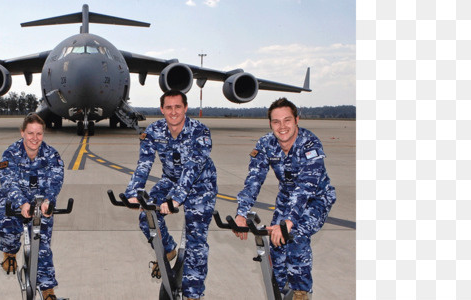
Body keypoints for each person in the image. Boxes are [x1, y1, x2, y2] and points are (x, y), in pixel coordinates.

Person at [232, 97, 337, 300]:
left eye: (287, 120)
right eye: (276, 121)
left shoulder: (310, 143)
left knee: (295, 235)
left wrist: (288, 222)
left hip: (316, 198)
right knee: (276, 242)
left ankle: (301, 292)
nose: (282, 127)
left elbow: (306, 187)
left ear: (297, 120)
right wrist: (241, 213)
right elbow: (253, 180)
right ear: (270, 123)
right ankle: (279, 291)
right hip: (287, 198)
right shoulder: (266, 144)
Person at [125, 90, 217, 300]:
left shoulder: (200, 131)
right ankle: (168, 249)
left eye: (178, 107)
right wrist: (133, 192)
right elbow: (144, 163)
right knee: (146, 217)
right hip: (171, 180)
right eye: (169, 107)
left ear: (185, 108)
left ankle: (193, 295)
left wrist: (176, 198)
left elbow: (193, 167)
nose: (173, 112)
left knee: (196, 242)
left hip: (201, 185)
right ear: (162, 110)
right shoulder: (154, 130)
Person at [0, 114, 65, 300]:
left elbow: (55, 181)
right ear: (22, 132)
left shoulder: (52, 155)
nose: (34, 138)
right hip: (13, 199)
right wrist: (22, 203)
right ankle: (9, 250)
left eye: (39, 133)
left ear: (43, 133)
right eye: (30, 133)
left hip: (40, 203)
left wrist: (48, 201)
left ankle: (48, 290)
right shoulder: (11, 153)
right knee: (6, 223)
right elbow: (8, 182)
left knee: (42, 247)